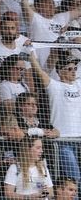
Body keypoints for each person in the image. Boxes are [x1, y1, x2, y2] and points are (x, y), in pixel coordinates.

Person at [29, 50, 81, 182]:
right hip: (63, 140)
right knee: (75, 177)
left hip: (79, 139)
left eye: (74, 68)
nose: (73, 71)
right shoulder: (55, 86)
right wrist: (31, 52)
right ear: (60, 72)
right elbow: (39, 71)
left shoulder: (79, 84)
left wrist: (74, 47)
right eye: (69, 69)